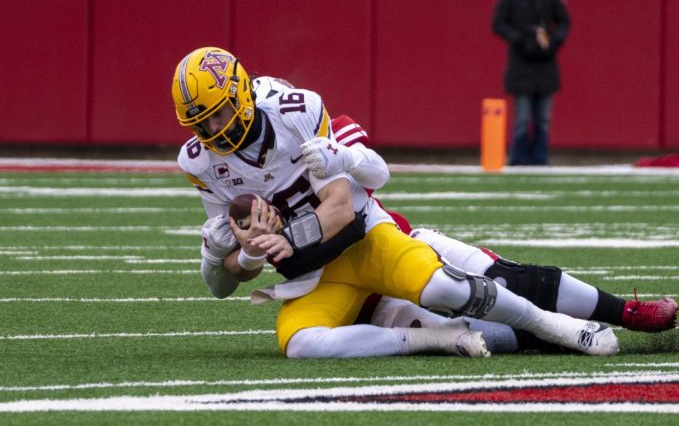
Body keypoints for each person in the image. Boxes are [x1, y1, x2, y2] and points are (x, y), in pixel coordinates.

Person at [174, 47, 619, 358]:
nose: (212, 129)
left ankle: (551, 325)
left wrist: (288, 237)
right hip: (312, 276)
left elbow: (344, 206)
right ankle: (435, 340)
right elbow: (226, 279)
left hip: (364, 239)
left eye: (218, 112)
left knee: (447, 286)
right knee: (301, 345)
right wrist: (246, 251)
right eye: (200, 122)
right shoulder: (199, 161)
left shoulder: (296, 111)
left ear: (242, 95)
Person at [492, 0, 569, 167]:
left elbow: (564, 22)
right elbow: (498, 23)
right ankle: (518, 158)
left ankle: (540, 158)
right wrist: (520, 38)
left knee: (543, 118)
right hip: (520, 63)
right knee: (523, 117)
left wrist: (553, 42)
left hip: (545, 64)